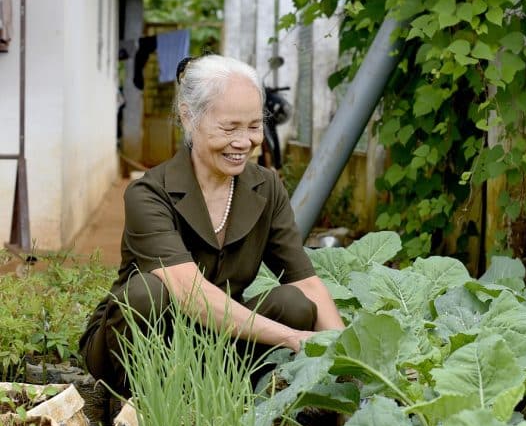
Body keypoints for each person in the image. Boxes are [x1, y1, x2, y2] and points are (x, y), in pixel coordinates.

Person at [79, 54, 344, 396]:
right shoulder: (148, 193)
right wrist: (290, 337)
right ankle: (140, 402)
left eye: (253, 127)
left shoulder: (266, 187)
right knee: (148, 293)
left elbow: (307, 284)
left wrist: (346, 356)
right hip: (140, 342)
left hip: (215, 341)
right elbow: (189, 294)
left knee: (295, 303)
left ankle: (225, 391)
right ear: (189, 118)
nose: (244, 142)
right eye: (229, 127)